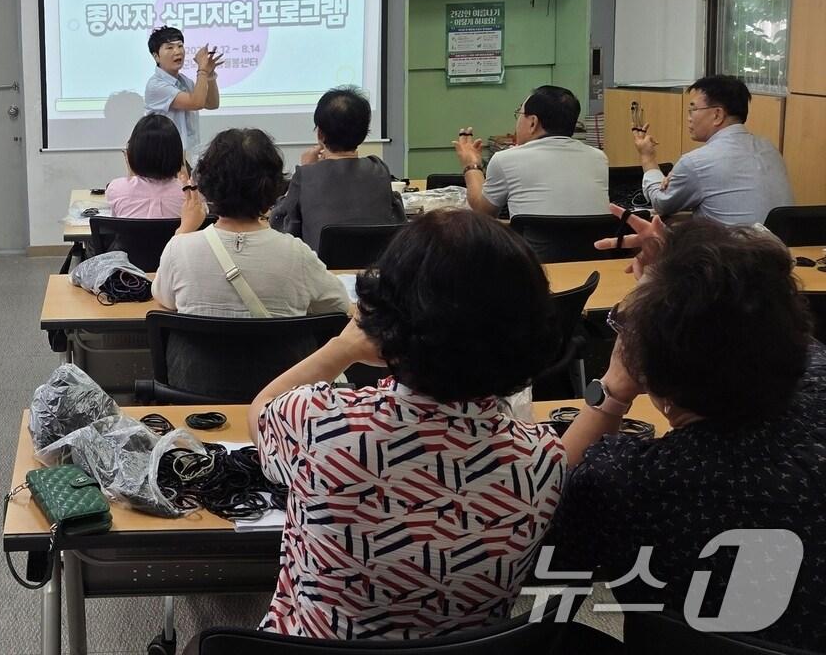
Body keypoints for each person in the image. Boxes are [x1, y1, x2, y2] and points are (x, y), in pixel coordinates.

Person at [246, 209, 565, 640]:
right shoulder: (544, 458)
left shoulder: (323, 424)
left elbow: (261, 410)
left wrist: (341, 348)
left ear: (387, 319)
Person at [546, 211, 825, 651]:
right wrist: (684, 268)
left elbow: (543, 517)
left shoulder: (623, 479)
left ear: (649, 373)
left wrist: (614, 391)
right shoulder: (816, 382)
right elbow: (760, 316)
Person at [153, 128, 349, 318]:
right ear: (273, 185)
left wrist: (182, 231)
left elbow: (165, 297)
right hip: (280, 352)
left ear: (207, 183)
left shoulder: (180, 249)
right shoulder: (297, 253)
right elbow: (339, 303)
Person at [632, 74, 793, 225]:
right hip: (780, 251)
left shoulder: (696, 162)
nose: (689, 117)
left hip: (730, 253)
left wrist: (648, 158)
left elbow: (661, 204)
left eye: (693, 110)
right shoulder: (770, 149)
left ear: (717, 115)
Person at [270, 87, 404, 251]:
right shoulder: (379, 169)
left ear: (320, 134)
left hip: (320, 271)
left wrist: (307, 168)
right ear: (364, 134)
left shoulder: (306, 175)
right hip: (371, 269)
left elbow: (280, 225)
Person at [452, 85, 607, 218]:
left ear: (533, 122)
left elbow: (483, 212)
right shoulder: (599, 158)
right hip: (597, 252)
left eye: (519, 114)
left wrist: (471, 165)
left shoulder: (505, 160)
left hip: (530, 253)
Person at [143, 25, 222, 159]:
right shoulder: (156, 85)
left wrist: (209, 75)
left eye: (180, 46)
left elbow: (211, 104)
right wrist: (202, 70)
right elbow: (196, 103)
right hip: (165, 157)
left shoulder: (185, 82)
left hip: (189, 156)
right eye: (170, 47)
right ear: (156, 56)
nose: (178, 51)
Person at [106, 113, 188, 219]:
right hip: (174, 236)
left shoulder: (116, 188)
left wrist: (132, 169)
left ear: (134, 152)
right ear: (177, 153)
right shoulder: (189, 195)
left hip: (132, 236)